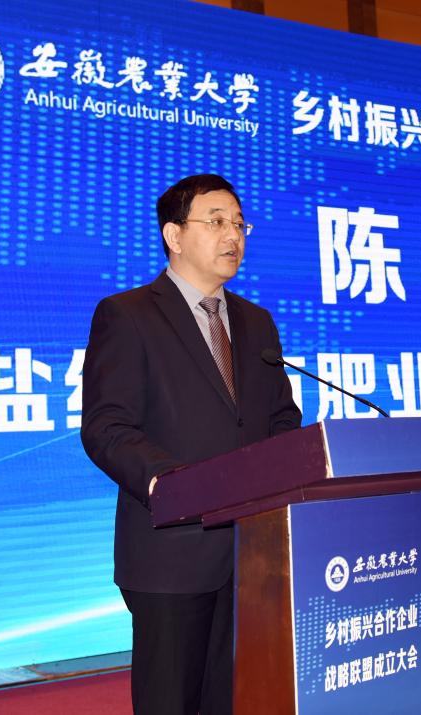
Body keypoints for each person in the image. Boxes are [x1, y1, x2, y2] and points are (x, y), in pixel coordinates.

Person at [80, 174, 302, 715]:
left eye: (240, 224)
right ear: (174, 235)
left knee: (237, 701)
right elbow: (107, 426)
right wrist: (173, 482)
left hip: (254, 555)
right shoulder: (128, 315)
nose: (233, 236)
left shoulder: (257, 323)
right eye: (217, 221)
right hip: (172, 552)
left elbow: (281, 418)